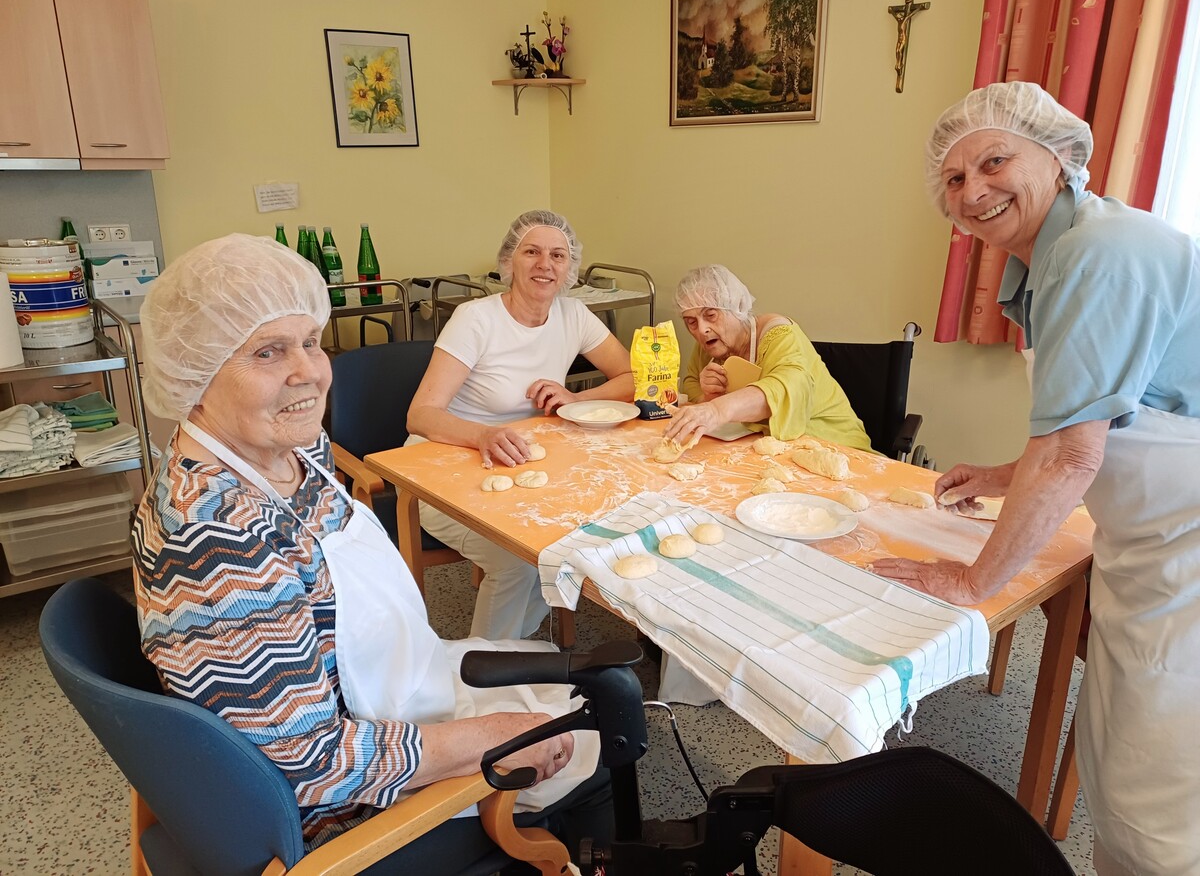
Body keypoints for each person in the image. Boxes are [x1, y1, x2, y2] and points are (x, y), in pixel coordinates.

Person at [133, 233, 612, 872]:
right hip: (352, 802)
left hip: (387, 687)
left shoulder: (284, 452)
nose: (309, 371)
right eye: (268, 351)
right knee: (591, 733)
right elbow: (309, 767)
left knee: (576, 679)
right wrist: (490, 741)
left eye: (309, 341)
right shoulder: (217, 541)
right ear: (195, 372)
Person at [871, 82, 1200, 876]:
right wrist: (1003, 474)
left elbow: (1074, 455)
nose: (973, 190)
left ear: (1056, 157)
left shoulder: (1096, 254)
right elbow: (1111, 415)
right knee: (1121, 729)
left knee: (1160, 770)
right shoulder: (1057, 253)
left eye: (993, 161)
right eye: (953, 180)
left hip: (1185, 540)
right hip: (1154, 530)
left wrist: (975, 579)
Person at [407, 210, 634, 640]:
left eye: (558, 255)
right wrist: (481, 435)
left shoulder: (573, 316)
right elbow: (420, 415)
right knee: (516, 559)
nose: (544, 265)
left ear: (571, 269)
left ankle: (513, 652)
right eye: (531, 252)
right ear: (509, 260)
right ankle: (478, 679)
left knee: (571, 536)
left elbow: (632, 378)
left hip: (524, 463)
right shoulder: (476, 319)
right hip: (443, 467)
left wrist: (576, 398)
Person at [664, 264, 872, 452]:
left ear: (736, 307)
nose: (701, 329)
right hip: (772, 450)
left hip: (834, 446)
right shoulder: (710, 344)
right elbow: (691, 383)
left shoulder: (779, 334)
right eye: (691, 322)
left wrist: (717, 410)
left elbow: (788, 388)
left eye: (711, 315)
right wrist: (707, 397)